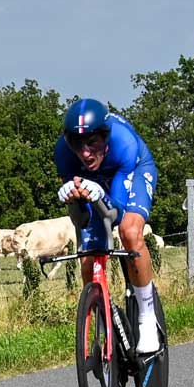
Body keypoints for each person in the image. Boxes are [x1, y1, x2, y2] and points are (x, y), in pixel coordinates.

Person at [53, 98, 162, 354]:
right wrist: (72, 199)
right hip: (95, 183)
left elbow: (118, 212)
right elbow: (81, 219)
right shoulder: (63, 155)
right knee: (89, 257)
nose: (86, 153)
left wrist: (101, 193)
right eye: (77, 145)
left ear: (106, 136)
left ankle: (147, 318)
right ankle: (101, 316)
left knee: (130, 232)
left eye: (93, 142)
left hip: (132, 172)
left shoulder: (124, 143)